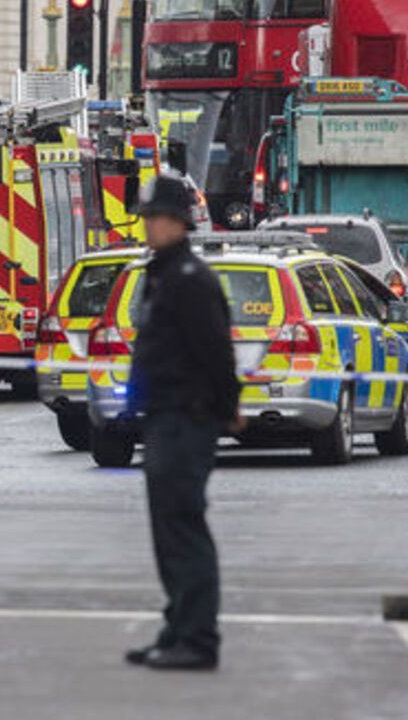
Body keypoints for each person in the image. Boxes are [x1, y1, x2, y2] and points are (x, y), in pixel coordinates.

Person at [124, 174, 242, 671]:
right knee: (166, 529)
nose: (146, 227)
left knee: (183, 526)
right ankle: (178, 627)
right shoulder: (162, 273)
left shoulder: (191, 279)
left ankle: (197, 638)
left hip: (186, 418)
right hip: (164, 417)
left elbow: (215, 350)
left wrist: (228, 406)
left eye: (153, 219)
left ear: (175, 222)